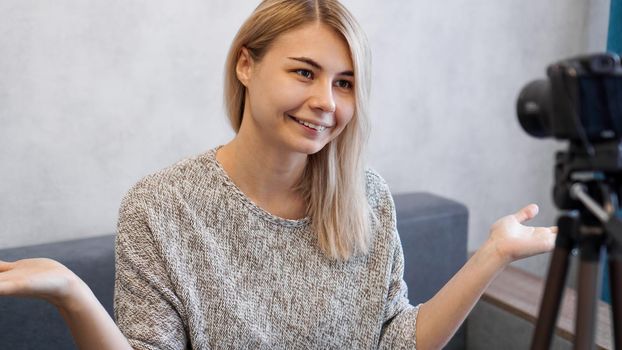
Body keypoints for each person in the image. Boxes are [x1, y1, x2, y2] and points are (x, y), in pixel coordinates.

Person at [0, 0, 558, 349]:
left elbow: (396, 340)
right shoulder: (161, 207)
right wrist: (73, 294)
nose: (325, 101)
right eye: (304, 72)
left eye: (344, 83)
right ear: (247, 65)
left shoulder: (366, 197)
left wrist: (493, 256)